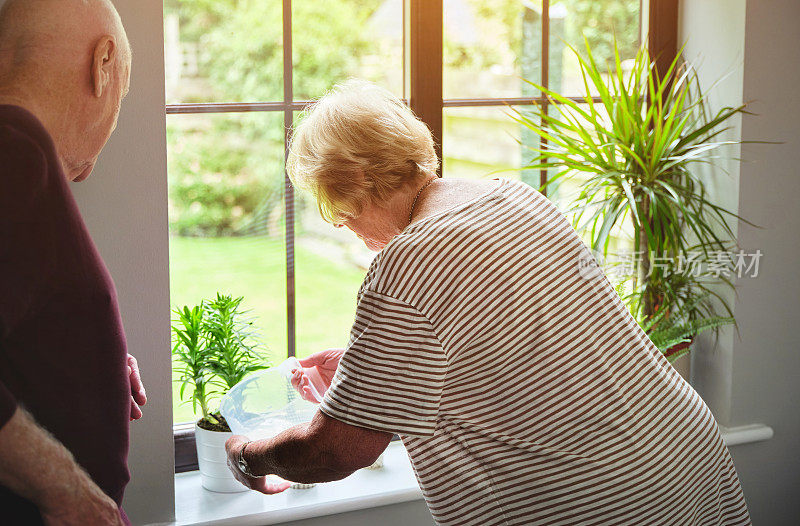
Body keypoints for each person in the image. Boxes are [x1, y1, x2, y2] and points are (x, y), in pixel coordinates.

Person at [225, 80, 752, 525]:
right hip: (686, 458)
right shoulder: (513, 196)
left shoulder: (405, 263)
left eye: (337, 209)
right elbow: (530, 342)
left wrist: (250, 454)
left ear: (354, 181)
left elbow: (336, 450)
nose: (344, 225)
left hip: (600, 501)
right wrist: (371, 373)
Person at [0, 1, 145, 524]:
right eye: (122, 97)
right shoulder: (17, 147)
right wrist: (66, 490)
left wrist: (91, 363)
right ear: (102, 64)